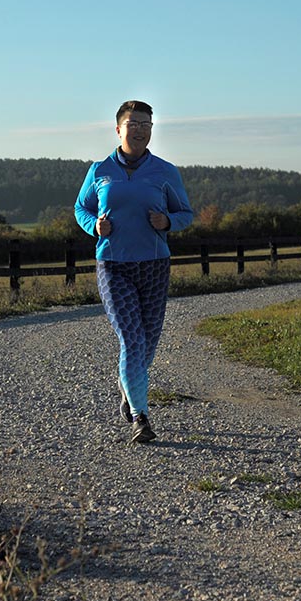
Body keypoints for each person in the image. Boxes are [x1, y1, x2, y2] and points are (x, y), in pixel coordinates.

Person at [74, 100, 194, 443]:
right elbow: (81, 208)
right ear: (118, 129)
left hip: (154, 265)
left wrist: (167, 221)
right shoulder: (99, 170)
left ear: (151, 130)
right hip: (113, 264)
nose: (139, 130)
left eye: (145, 124)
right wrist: (94, 226)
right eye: (133, 124)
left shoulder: (165, 172)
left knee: (148, 344)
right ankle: (141, 417)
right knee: (131, 339)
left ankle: (128, 386)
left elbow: (185, 213)